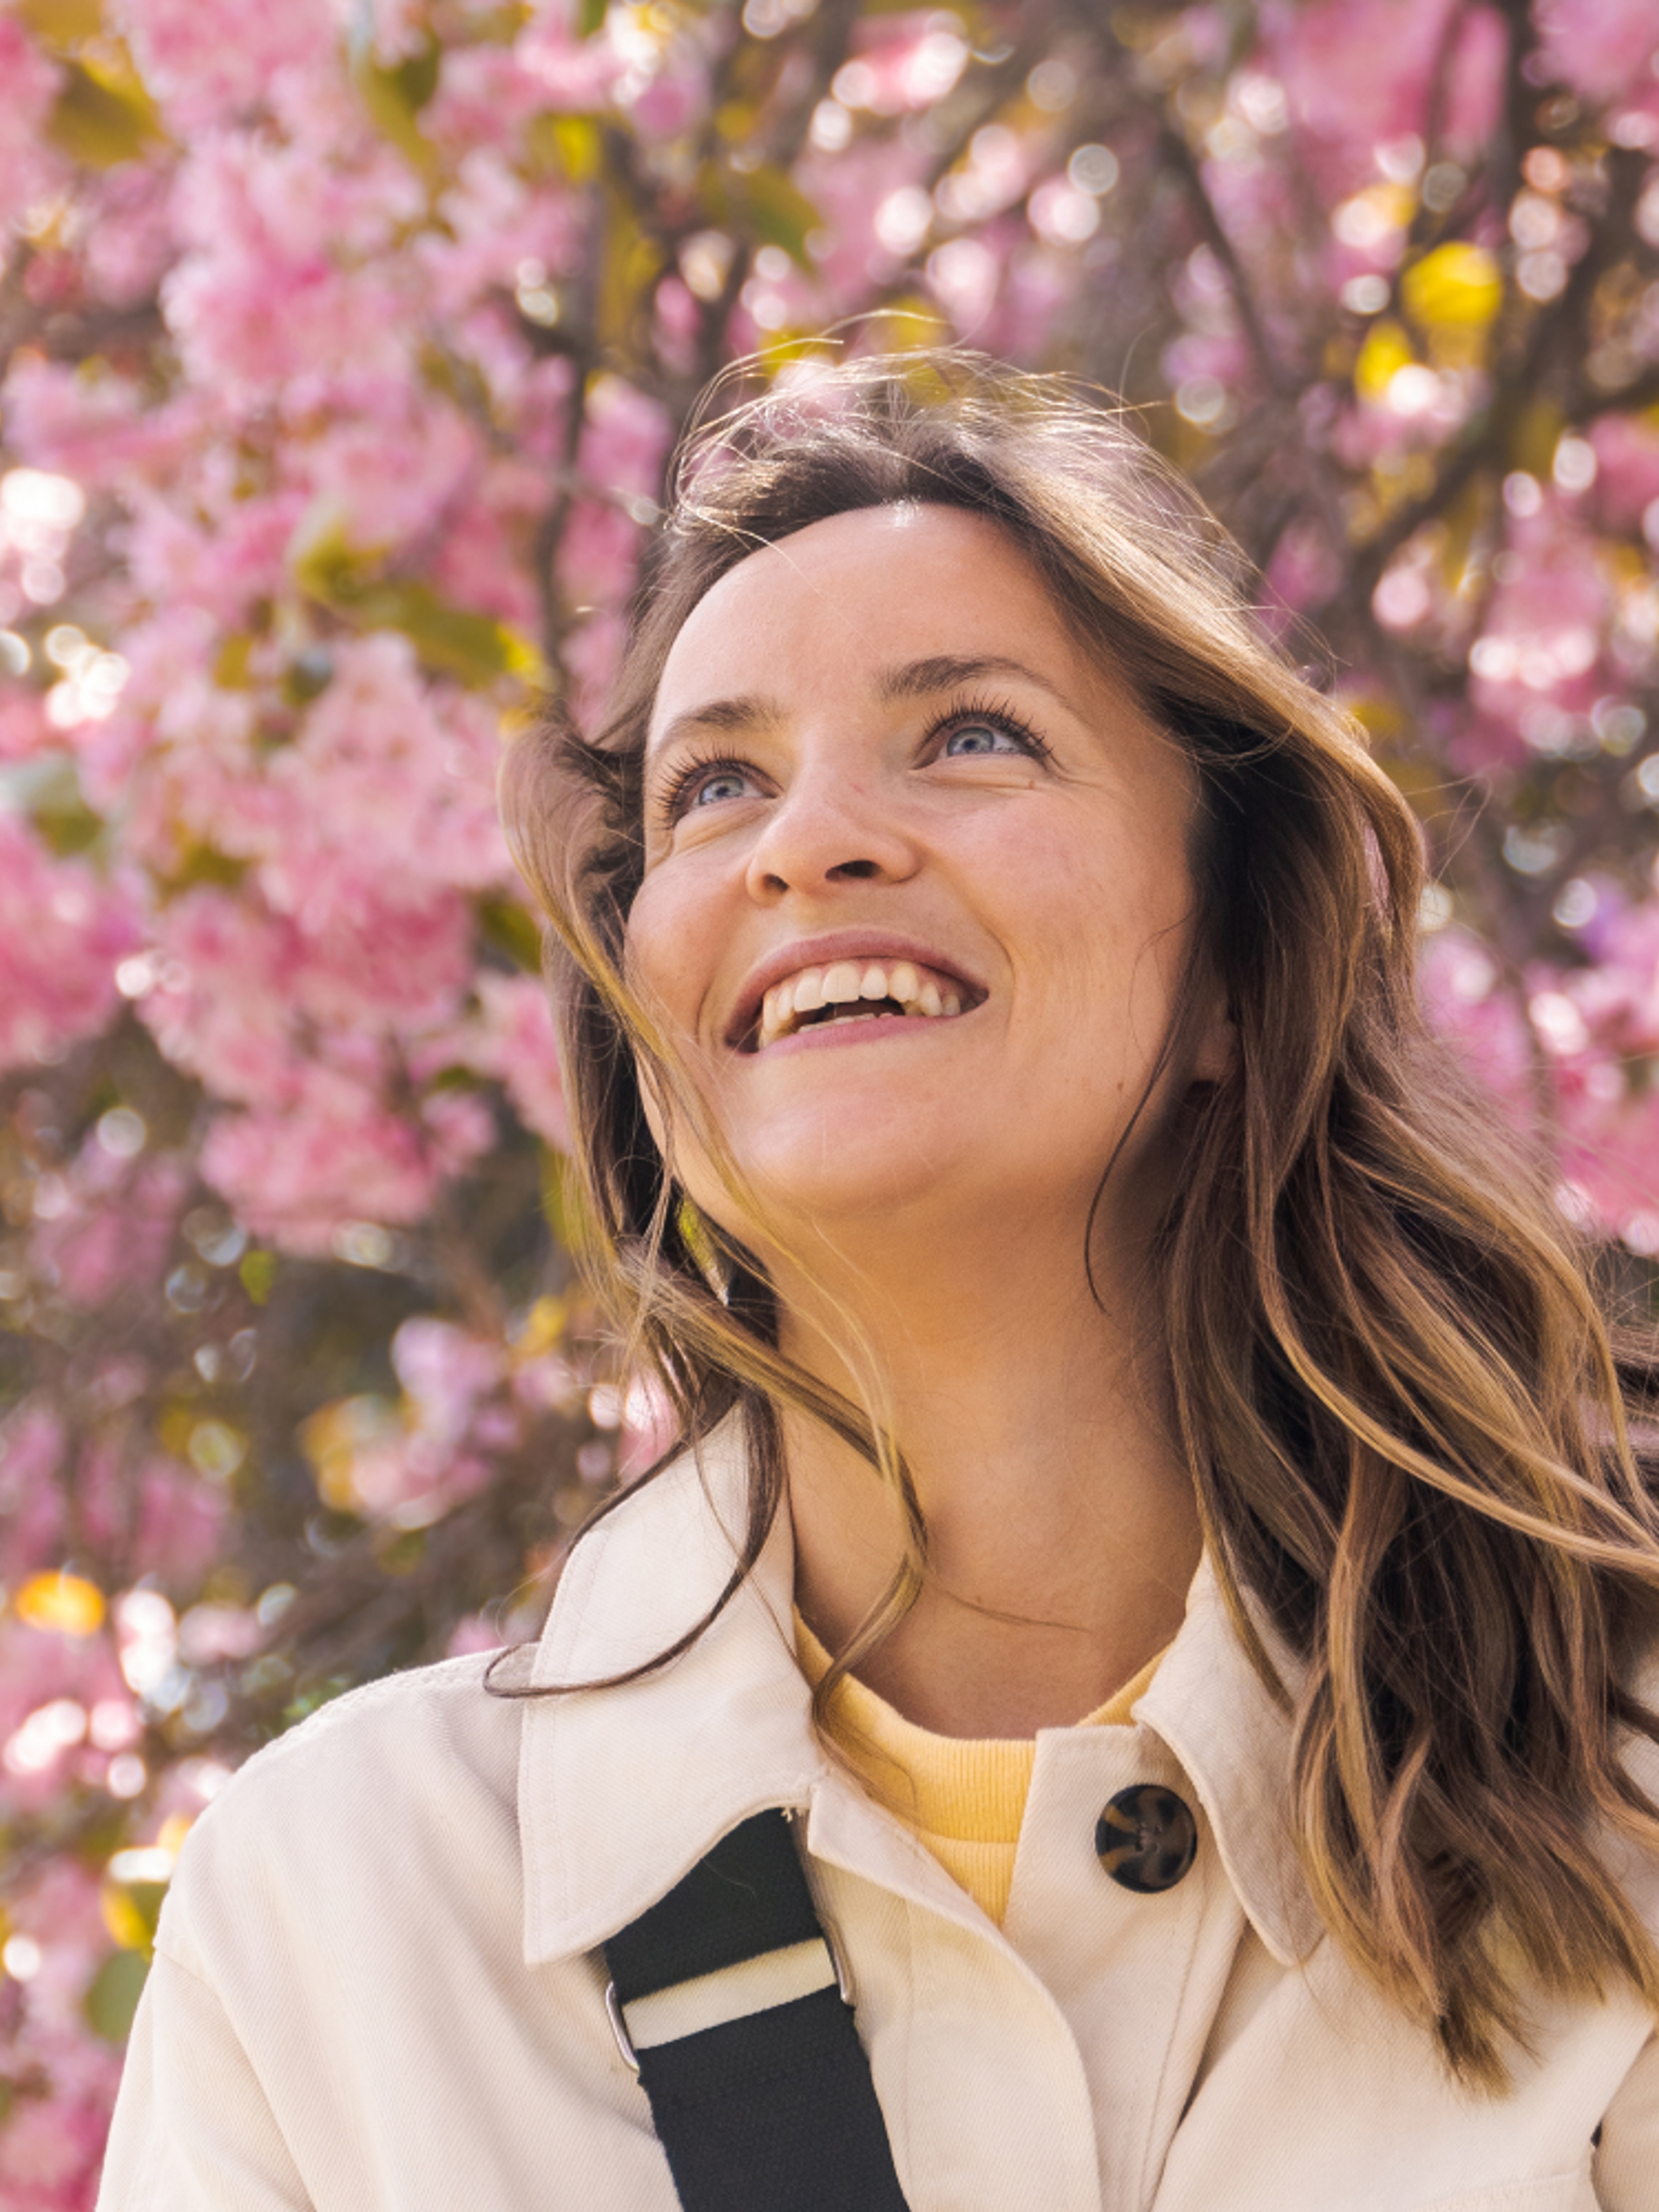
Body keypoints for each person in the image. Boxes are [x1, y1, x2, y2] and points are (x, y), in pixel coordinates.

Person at [99, 351, 1659, 2211]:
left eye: (973, 734)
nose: (807, 840)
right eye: (716, 783)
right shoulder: (346, 1905)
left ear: (1238, 962)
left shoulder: (1612, 1790)